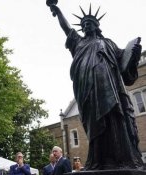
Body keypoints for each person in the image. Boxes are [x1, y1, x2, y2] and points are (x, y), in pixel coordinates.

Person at [48, 2, 144, 170]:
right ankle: (98, 159)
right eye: (84, 24)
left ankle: (121, 159)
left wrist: (134, 54)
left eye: (90, 23)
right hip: (87, 89)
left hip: (110, 88)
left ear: (96, 26)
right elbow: (67, 29)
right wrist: (57, 10)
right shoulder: (78, 43)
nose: (86, 25)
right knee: (94, 122)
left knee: (114, 119)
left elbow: (124, 64)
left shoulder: (108, 43)